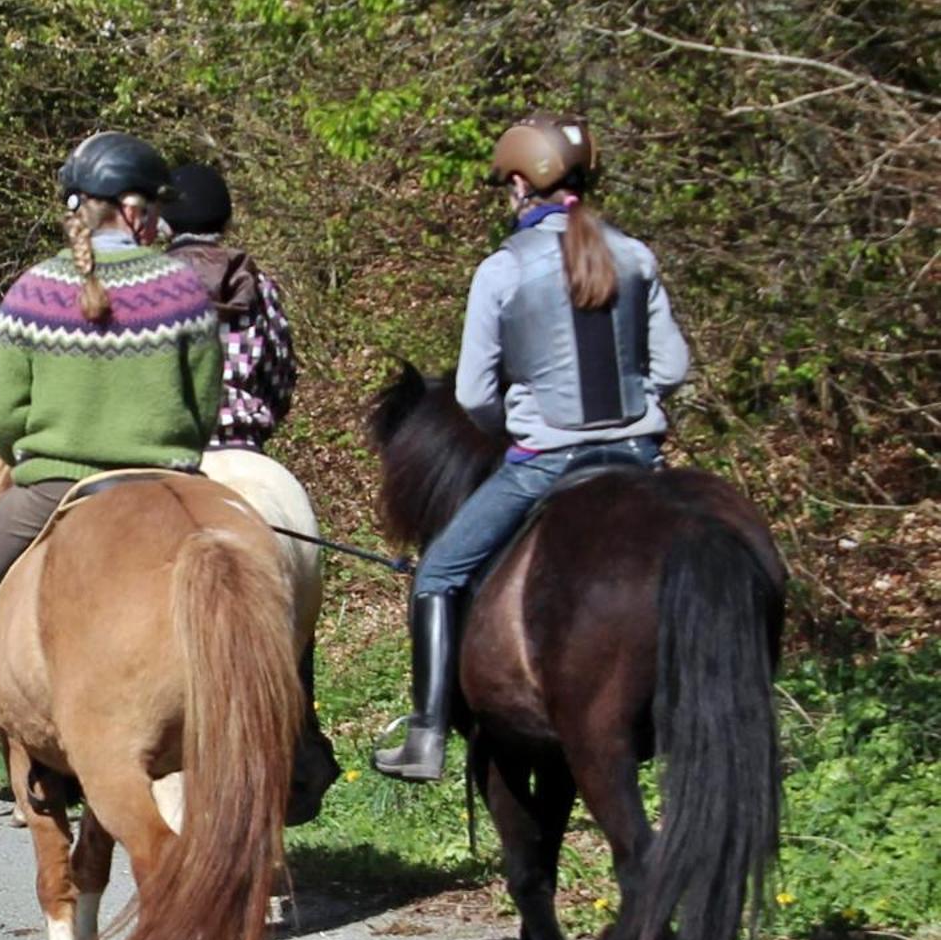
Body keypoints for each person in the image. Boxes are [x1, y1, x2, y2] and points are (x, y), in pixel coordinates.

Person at [0, 131, 223, 839]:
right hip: (168, 485)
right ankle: (295, 753)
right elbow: (203, 403)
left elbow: (0, 414)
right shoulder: (183, 287)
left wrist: (36, 456)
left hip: (54, 489)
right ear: (137, 211)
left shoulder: (36, 289)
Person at [373, 114, 692, 782]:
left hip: (544, 462)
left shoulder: (503, 269)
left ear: (520, 185)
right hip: (638, 457)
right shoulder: (633, 256)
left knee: (438, 573)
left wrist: (510, 425)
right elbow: (670, 368)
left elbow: (472, 392)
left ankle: (427, 734)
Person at [163, 161, 297, 450]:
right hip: (242, 441)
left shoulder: (147, 287)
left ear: (163, 225)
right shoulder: (258, 284)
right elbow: (281, 369)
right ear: (227, 223)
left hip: (169, 445)